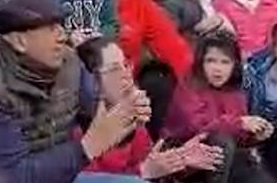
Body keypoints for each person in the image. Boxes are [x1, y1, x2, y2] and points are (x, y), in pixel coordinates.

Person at [0, 0, 150, 183]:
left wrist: (127, 114)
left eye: (61, 26)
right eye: (51, 29)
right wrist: (86, 148)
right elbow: (9, 176)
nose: (62, 36)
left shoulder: (69, 62)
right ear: (20, 41)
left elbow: (100, 123)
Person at [78, 38, 224, 179]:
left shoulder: (133, 120)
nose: (126, 75)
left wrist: (179, 159)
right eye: (115, 69)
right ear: (92, 81)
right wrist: (143, 172)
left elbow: (149, 165)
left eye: (126, 65)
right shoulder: (77, 132)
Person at [163, 34, 276, 183]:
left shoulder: (234, 92)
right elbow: (197, 128)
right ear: (201, 62)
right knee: (221, 141)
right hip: (185, 159)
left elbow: (236, 135)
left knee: (247, 162)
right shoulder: (189, 86)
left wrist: (253, 136)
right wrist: (239, 123)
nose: (217, 68)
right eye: (211, 61)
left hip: (225, 161)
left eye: (225, 62)